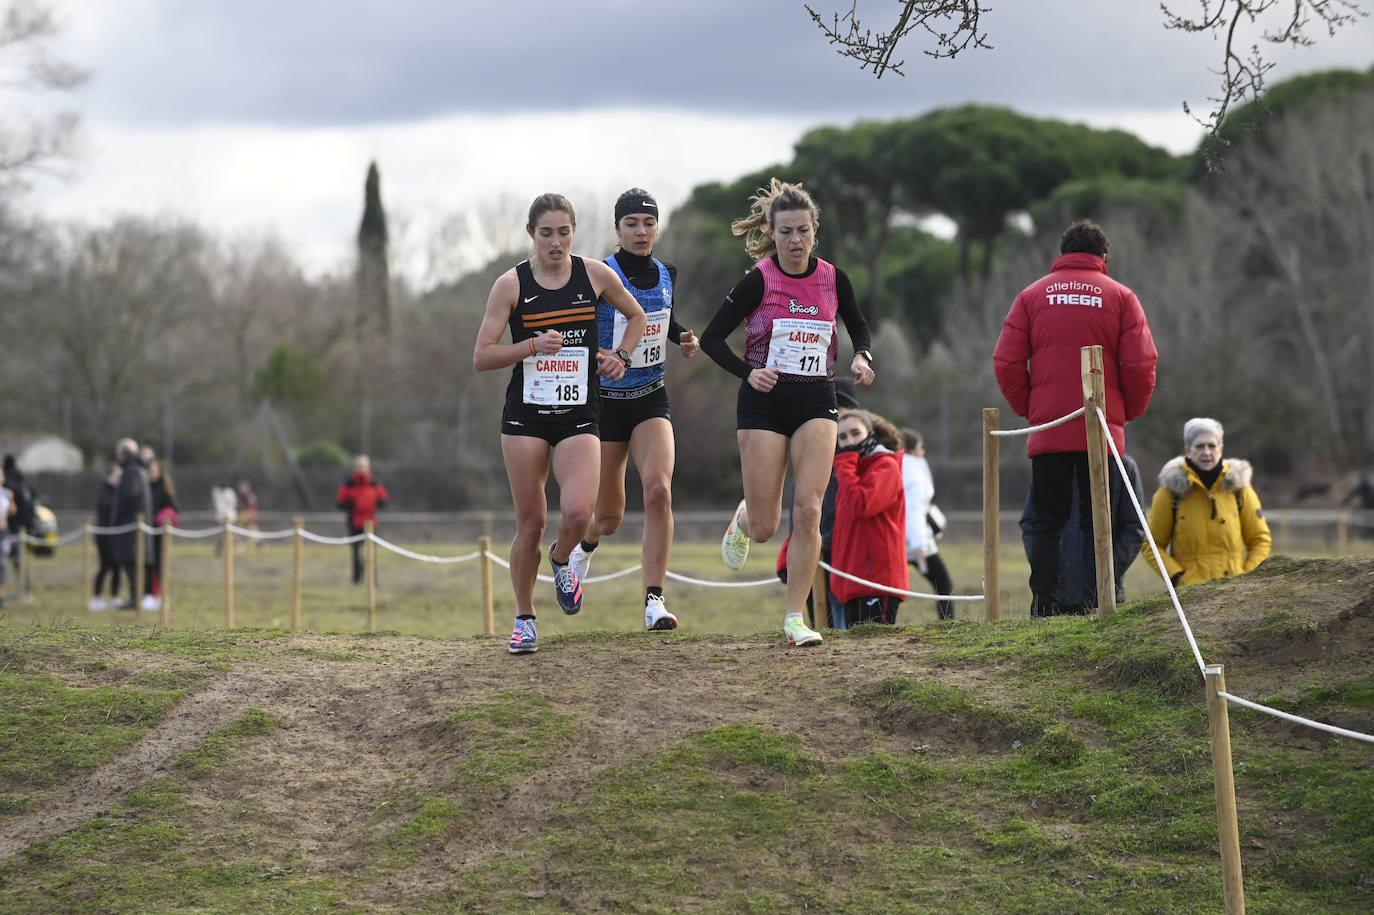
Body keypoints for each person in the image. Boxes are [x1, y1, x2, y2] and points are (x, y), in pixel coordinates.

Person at [701, 178, 875, 647]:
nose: (795, 240)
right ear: (771, 234)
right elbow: (712, 338)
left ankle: (795, 617)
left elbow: (858, 325)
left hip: (817, 398)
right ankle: (744, 518)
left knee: (809, 508)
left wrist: (862, 356)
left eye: (802, 230)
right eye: (785, 232)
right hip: (765, 402)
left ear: (815, 230)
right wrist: (748, 372)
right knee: (765, 527)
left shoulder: (834, 278)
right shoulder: (759, 280)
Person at [473, 192, 646, 654]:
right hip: (526, 415)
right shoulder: (510, 284)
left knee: (578, 513)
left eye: (564, 233)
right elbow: (482, 356)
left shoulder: (595, 275)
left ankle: (562, 557)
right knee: (530, 524)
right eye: (546, 233)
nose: (555, 242)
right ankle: (524, 617)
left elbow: (637, 315)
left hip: (578, 412)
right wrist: (531, 346)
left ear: (575, 232)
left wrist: (622, 356)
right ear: (531, 233)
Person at [993, 218, 1158, 617]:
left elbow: (1006, 362)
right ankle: (1094, 602)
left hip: (1049, 429)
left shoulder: (1031, 296)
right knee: (1096, 519)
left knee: (1046, 521)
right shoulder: (1122, 297)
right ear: (1104, 256)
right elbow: (1141, 365)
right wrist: (1126, 413)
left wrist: (1031, 409)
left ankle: (1044, 605)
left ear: (1062, 254)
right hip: (1099, 427)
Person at [567, 189, 699, 632]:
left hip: (650, 399)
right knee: (608, 518)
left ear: (657, 227)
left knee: (659, 490)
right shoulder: (600, 274)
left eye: (648, 223)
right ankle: (584, 548)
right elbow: (578, 330)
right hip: (606, 405)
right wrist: (603, 356)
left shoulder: (667, 272)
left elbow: (662, 318)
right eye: (632, 224)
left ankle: (654, 601)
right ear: (618, 228)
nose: (641, 231)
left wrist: (682, 337)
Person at [1142, 417, 1272, 587]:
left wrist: (1246, 578)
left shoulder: (1239, 489)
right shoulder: (1170, 493)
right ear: (1187, 450)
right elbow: (1151, 545)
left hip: (1236, 593)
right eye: (1199, 446)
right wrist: (1178, 577)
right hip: (1190, 596)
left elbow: (1260, 540)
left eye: (1212, 446)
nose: (1206, 452)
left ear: (1221, 449)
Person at [1020, 452, 1145, 614]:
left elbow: (1135, 528)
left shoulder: (1121, 466)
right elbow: (1031, 524)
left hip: (1103, 596)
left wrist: (1107, 572)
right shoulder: (1050, 465)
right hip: (1056, 598)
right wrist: (1046, 567)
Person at [830, 409, 908, 626]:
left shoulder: (885, 466)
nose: (850, 441)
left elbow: (861, 507)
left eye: (856, 433)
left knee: (874, 646)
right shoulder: (851, 471)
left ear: (870, 433)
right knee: (855, 647)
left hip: (877, 581)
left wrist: (845, 463)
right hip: (852, 580)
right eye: (842, 437)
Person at [900, 428, 957, 620]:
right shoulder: (913, 473)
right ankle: (948, 624)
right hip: (913, 540)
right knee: (944, 583)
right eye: (920, 447)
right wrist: (919, 544)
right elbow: (913, 510)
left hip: (906, 537)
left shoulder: (906, 468)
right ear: (910, 449)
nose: (922, 452)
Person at [105, 438, 152, 610]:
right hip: (133, 525)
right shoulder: (139, 469)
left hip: (130, 527)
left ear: (123, 454)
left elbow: (130, 496)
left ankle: (135, 599)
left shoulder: (132, 471)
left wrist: (120, 516)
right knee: (132, 563)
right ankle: (135, 597)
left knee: (131, 563)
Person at [336, 455, 389, 586]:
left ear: (368, 467)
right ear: (355, 467)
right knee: (355, 553)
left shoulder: (374, 483)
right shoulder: (349, 484)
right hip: (354, 523)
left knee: (372, 553)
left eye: (364, 466)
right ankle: (356, 579)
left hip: (371, 523)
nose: (362, 468)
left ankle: (373, 580)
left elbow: (384, 498)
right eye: (359, 466)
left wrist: (374, 502)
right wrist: (354, 504)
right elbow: (340, 502)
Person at [142, 458, 179, 611]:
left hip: (159, 533)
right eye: (150, 471)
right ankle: (149, 594)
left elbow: (174, 509)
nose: (152, 473)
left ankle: (161, 596)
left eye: (154, 471)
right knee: (147, 564)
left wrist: (163, 518)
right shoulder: (144, 488)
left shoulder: (164, 490)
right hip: (145, 532)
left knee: (160, 564)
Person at [90, 463, 123, 611]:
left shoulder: (119, 492)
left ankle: (114, 597)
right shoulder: (104, 491)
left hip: (116, 536)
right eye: (116, 476)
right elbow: (105, 508)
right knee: (104, 566)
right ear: (108, 477)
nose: (118, 479)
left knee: (117, 567)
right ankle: (96, 598)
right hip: (104, 536)